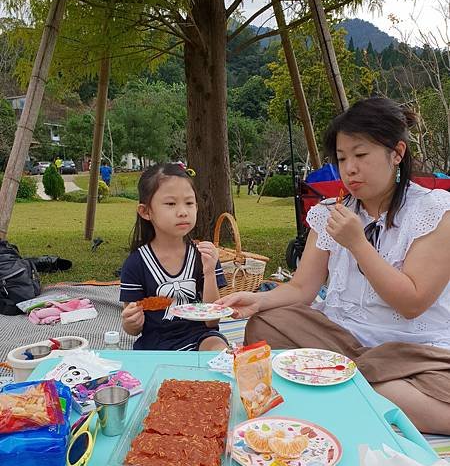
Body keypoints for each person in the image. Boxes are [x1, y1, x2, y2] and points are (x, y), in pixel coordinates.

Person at [217, 97, 450, 435]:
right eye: (342, 159)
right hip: (343, 339)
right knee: (267, 323)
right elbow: (302, 288)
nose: (349, 169)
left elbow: (412, 303)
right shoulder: (331, 211)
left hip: (411, 351)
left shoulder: (434, 211)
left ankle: (345, 382)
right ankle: (359, 386)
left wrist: (357, 243)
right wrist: (258, 300)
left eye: (360, 155)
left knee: (412, 392)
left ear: (396, 153)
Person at [120, 163, 228, 351]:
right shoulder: (136, 264)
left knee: (218, 347)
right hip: (156, 343)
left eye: (189, 203)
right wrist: (131, 322)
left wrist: (209, 272)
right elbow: (133, 329)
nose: (183, 212)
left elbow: (212, 322)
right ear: (146, 212)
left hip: (200, 337)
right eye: (170, 204)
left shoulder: (204, 256)